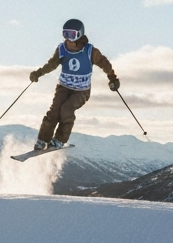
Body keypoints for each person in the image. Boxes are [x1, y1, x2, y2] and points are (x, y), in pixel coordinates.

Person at [28, 19, 119, 151]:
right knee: (54, 112)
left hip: (81, 91)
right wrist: (39, 73)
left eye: (72, 34)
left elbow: (104, 63)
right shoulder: (62, 49)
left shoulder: (89, 51)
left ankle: (59, 139)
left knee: (66, 110)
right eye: (66, 34)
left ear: (80, 34)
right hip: (63, 87)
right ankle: (43, 139)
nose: (69, 38)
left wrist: (112, 78)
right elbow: (52, 64)